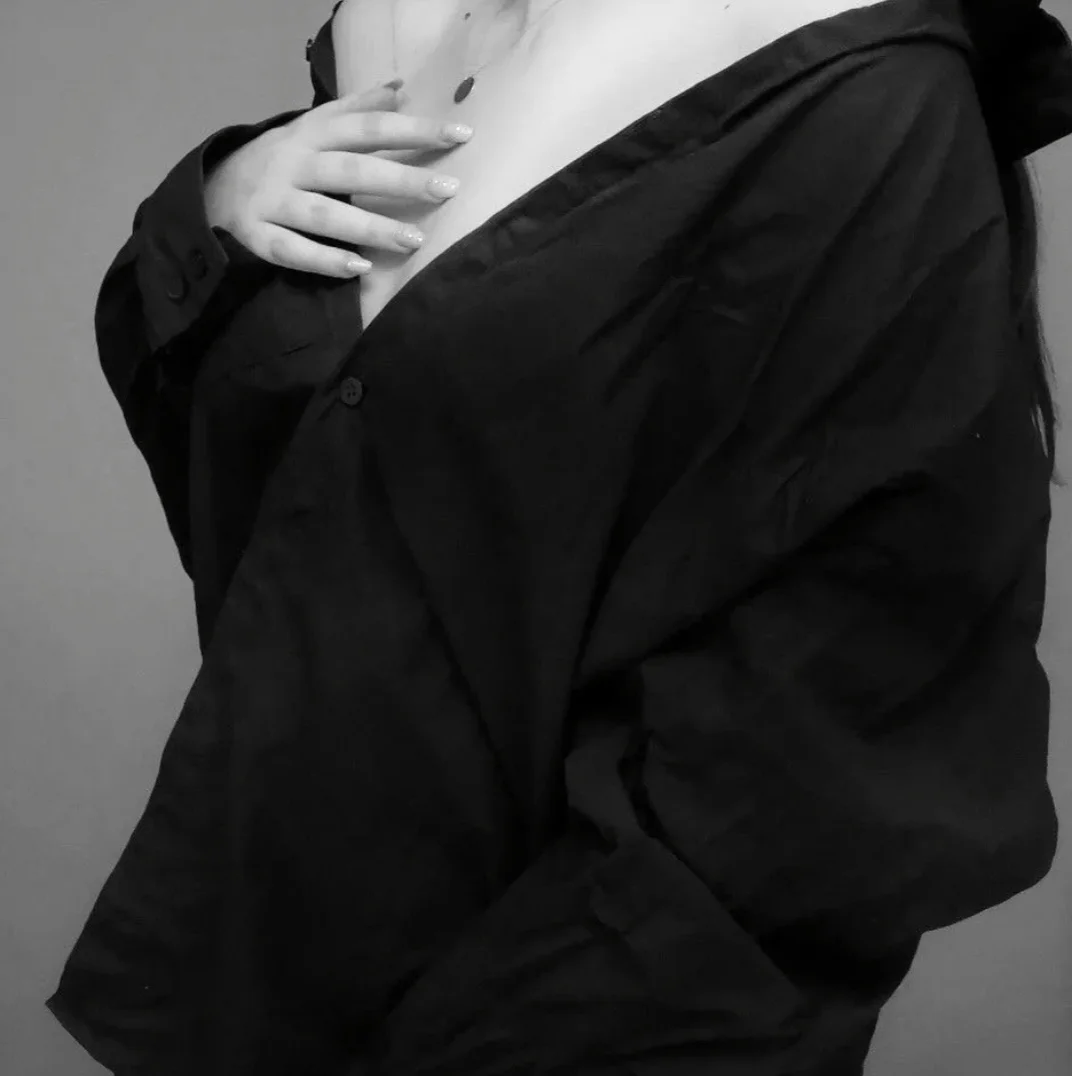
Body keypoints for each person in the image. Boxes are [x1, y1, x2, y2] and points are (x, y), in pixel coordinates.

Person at [45, 2, 1072, 1075]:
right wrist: (220, 200)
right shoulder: (402, 23)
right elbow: (303, 492)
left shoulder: (869, 106)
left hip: (580, 1025)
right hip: (276, 959)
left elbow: (810, 776)